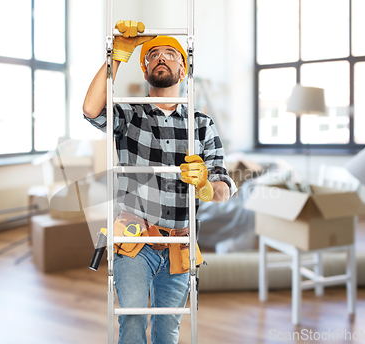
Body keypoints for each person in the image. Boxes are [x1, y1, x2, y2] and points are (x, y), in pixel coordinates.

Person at [83, 20, 237, 344]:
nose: (161, 58)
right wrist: (117, 55)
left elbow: (224, 187)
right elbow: (90, 109)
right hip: (135, 242)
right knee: (134, 323)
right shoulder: (130, 115)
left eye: (171, 53)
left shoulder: (202, 124)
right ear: (145, 67)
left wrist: (207, 186)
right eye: (153, 54)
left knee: (168, 332)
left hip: (180, 245)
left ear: (184, 67)